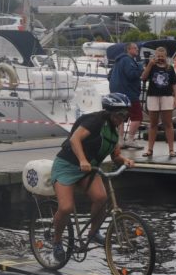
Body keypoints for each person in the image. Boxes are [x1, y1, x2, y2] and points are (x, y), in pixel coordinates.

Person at [50, 93, 136, 261]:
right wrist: (82, 160)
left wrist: (125, 160)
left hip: (89, 168)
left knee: (101, 198)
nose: (123, 118)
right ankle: (57, 241)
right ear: (110, 112)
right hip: (67, 165)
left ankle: (93, 232)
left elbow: (116, 156)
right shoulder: (95, 121)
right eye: (121, 114)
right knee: (66, 207)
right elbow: (75, 139)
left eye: (126, 115)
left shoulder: (113, 130)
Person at [141, 46, 176, 159]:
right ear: (155, 56)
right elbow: (143, 77)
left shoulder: (170, 68)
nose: (160, 58)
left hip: (167, 97)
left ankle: (171, 150)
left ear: (165, 57)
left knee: (168, 124)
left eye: (162, 56)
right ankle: (150, 149)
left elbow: (174, 85)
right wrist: (149, 65)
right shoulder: (151, 66)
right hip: (153, 96)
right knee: (153, 124)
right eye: (158, 56)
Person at [108, 41, 143, 148]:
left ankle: (120, 140)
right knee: (137, 116)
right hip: (129, 93)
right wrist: (140, 67)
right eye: (135, 48)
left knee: (120, 117)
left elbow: (109, 75)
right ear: (128, 49)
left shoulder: (118, 60)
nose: (137, 50)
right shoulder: (128, 60)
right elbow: (131, 75)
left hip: (117, 94)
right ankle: (130, 140)